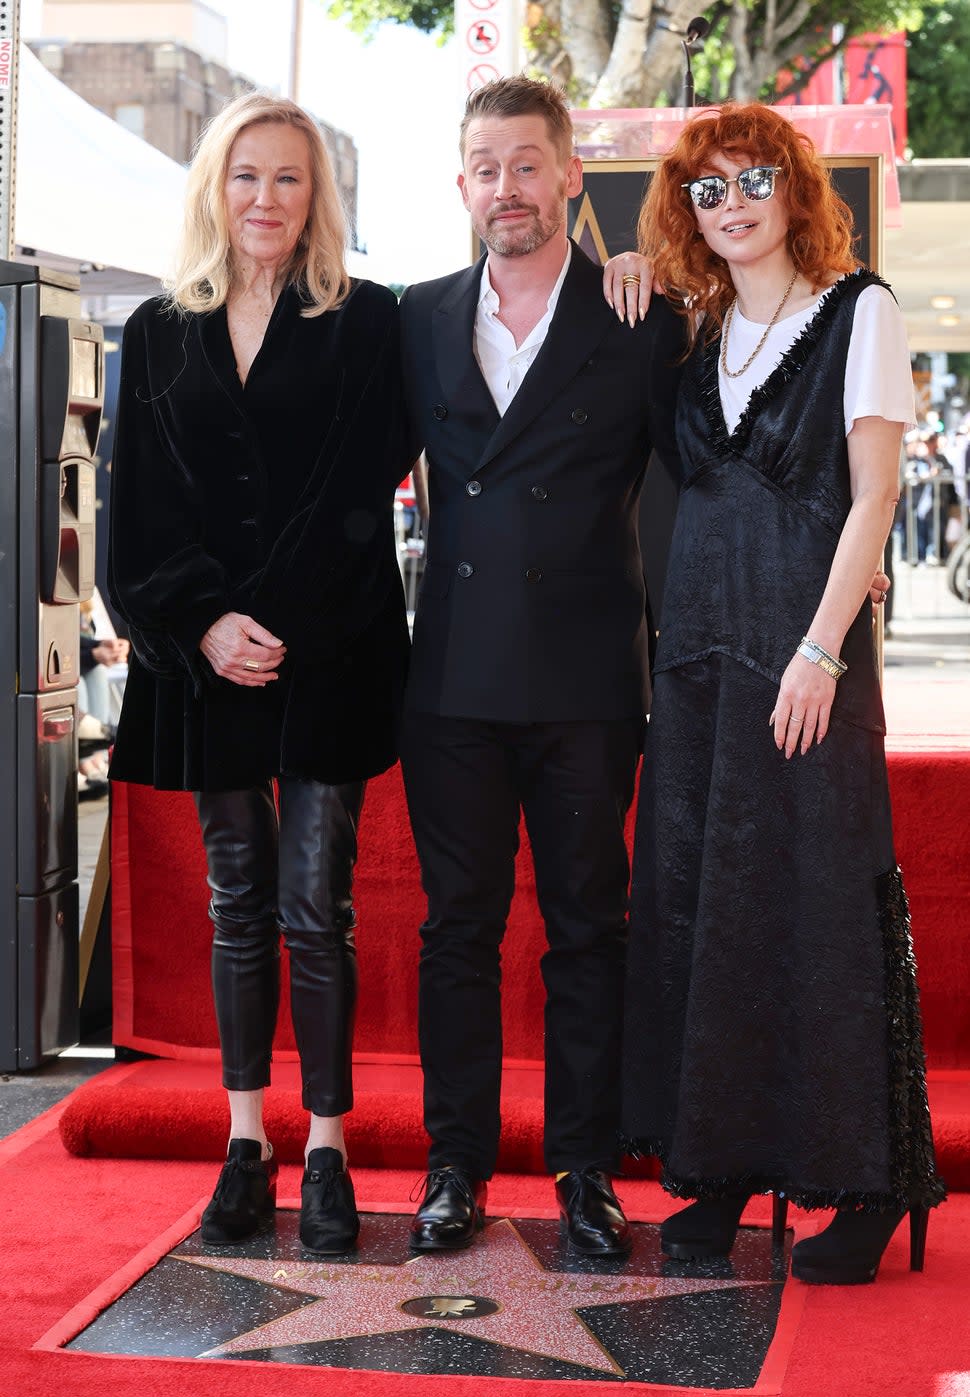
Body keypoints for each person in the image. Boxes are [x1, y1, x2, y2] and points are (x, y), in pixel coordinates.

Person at [619, 102, 945, 1285]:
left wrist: (819, 652)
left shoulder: (859, 310)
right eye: (708, 190)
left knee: (814, 914)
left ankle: (858, 1187)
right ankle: (717, 1167)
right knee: (706, 913)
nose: (733, 203)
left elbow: (870, 499)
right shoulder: (698, 327)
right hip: (698, 664)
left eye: (754, 179)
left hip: (802, 665)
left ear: (794, 187)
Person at [108, 92, 411, 1254]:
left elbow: (358, 488)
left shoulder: (364, 320)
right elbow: (135, 510)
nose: (265, 199)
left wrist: (264, 618)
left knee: (313, 906)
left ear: (315, 197)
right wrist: (204, 628)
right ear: (213, 188)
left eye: (288, 179)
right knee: (236, 901)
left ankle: (325, 1149)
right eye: (246, 177)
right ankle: (247, 1143)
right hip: (207, 663)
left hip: (327, 653)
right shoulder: (155, 331)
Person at [397, 76, 686, 1256]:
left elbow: (710, 475)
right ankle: (453, 1163)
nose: (504, 188)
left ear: (572, 175)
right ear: (460, 185)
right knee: (456, 929)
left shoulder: (640, 315)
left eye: (526, 163)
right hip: (453, 677)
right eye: (484, 167)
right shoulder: (412, 315)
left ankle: (583, 1164)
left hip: (584, 676)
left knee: (587, 927)